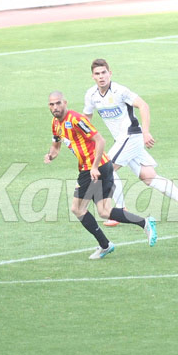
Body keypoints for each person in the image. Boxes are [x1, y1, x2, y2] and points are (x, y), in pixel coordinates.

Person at [83, 59, 178, 227]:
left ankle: (119, 211)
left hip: (132, 136)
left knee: (106, 168)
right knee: (149, 177)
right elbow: (86, 118)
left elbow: (143, 105)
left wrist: (145, 132)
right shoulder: (91, 95)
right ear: (93, 77)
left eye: (104, 72)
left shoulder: (120, 91)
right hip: (123, 141)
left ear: (110, 73)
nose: (101, 77)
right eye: (97, 74)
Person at [45, 91, 157, 259]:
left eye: (58, 103)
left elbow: (100, 140)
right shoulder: (55, 123)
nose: (55, 107)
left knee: (77, 208)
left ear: (65, 103)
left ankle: (105, 245)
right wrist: (51, 155)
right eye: (52, 104)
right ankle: (144, 223)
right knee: (104, 211)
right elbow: (56, 145)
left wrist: (94, 167)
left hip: (93, 169)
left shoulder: (76, 119)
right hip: (100, 167)